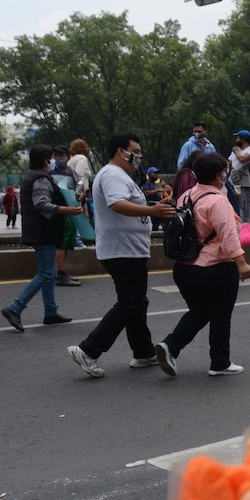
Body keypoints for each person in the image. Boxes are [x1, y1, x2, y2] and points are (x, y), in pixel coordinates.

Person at [67, 133, 177, 378]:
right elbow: (117, 204)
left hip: (128, 248)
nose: (139, 156)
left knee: (137, 301)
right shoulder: (112, 174)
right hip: (122, 250)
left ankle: (143, 352)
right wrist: (152, 210)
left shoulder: (119, 175)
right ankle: (88, 350)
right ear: (120, 151)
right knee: (130, 302)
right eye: (135, 151)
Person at [154, 153, 250, 377]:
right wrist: (242, 263)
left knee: (199, 311)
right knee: (220, 314)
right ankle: (220, 363)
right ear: (220, 174)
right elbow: (228, 236)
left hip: (185, 268)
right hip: (215, 268)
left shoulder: (186, 196)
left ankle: (170, 346)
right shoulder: (218, 201)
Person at [0, 144, 84, 332]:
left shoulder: (34, 176)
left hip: (40, 230)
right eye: (53, 157)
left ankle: (51, 312)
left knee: (50, 273)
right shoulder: (41, 178)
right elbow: (42, 204)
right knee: (46, 273)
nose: (55, 160)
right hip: (43, 231)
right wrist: (68, 209)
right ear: (47, 160)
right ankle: (15, 308)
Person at [49, 145, 83, 286]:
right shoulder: (51, 174)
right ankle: (60, 274)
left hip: (71, 210)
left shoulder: (71, 173)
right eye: (56, 155)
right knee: (61, 243)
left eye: (61, 156)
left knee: (68, 242)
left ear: (68, 157)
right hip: (60, 212)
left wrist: (81, 195)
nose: (58, 158)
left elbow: (78, 188)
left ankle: (62, 271)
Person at [228, 129, 250, 226]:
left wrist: (236, 151)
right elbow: (229, 164)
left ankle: (247, 233)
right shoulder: (235, 151)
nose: (236, 140)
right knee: (232, 209)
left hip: (246, 184)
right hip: (233, 183)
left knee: (246, 210)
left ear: (243, 139)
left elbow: (242, 159)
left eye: (238, 138)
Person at [67, 139, 95, 226]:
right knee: (93, 214)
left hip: (73, 190)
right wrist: (81, 191)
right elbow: (79, 175)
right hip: (83, 191)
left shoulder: (71, 159)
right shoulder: (82, 158)